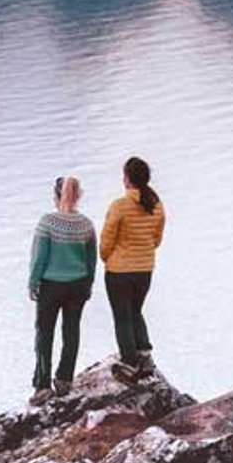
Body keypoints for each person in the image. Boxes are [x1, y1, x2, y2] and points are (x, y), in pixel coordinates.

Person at [28, 173, 98, 399]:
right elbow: (91, 260)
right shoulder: (86, 225)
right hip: (78, 285)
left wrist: (32, 282)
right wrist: (88, 285)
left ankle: (43, 384)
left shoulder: (47, 222)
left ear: (56, 196)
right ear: (78, 196)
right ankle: (65, 379)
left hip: (51, 286)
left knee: (44, 333)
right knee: (71, 331)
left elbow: (39, 257)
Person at [98, 153, 166, 382]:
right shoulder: (156, 206)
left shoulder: (119, 205)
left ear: (127, 178)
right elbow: (156, 240)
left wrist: (107, 258)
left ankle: (129, 362)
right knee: (135, 310)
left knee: (122, 316)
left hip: (119, 271)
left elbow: (107, 240)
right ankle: (144, 354)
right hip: (145, 269)